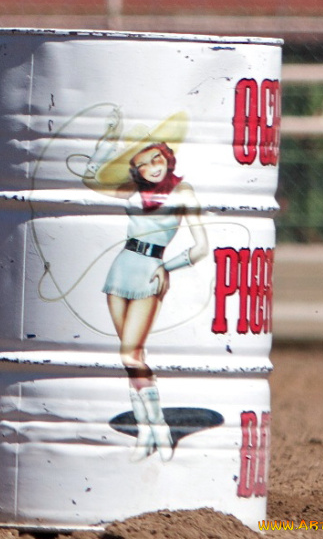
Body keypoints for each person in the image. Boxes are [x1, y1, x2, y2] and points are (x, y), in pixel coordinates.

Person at [100, 140, 209, 462]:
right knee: (130, 357)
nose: (153, 167)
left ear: (168, 158)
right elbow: (93, 179)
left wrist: (167, 266)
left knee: (130, 355)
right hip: (121, 269)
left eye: (157, 158)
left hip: (150, 271)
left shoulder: (182, 191)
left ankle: (157, 425)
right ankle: (147, 431)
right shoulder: (134, 191)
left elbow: (202, 247)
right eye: (144, 164)